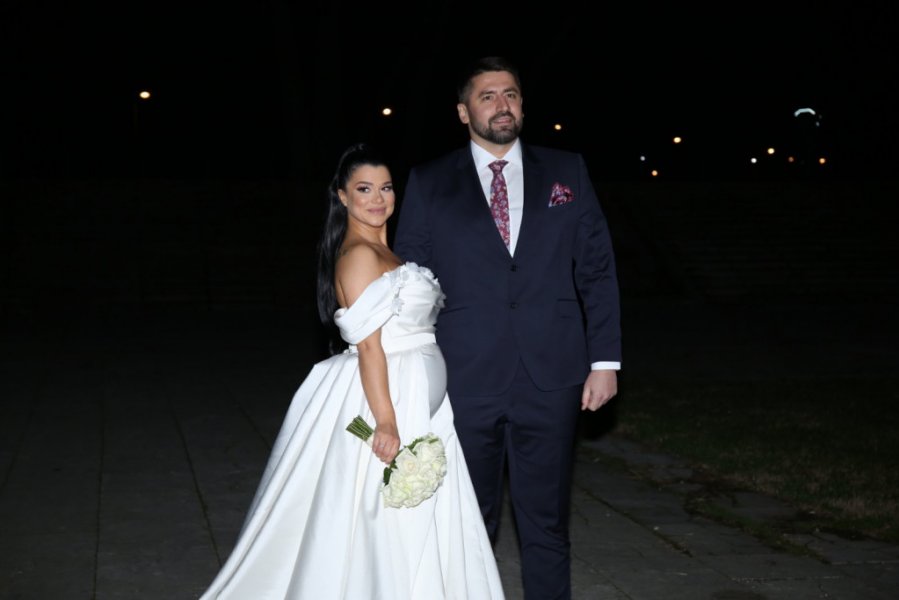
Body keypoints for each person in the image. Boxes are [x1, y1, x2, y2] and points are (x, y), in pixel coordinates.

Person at [199, 143, 504, 599]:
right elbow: (369, 347)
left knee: (412, 517)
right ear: (342, 196)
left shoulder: (386, 252)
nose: (378, 198)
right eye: (364, 189)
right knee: (381, 523)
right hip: (388, 399)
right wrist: (386, 420)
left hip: (419, 402)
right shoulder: (359, 255)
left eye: (386, 187)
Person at [393, 56, 622, 600]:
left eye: (511, 94)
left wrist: (605, 361)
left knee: (547, 520)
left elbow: (596, 269)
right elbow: (410, 284)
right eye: (488, 96)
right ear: (463, 111)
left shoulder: (567, 172)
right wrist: (405, 372)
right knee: (466, 522)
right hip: (464, 375)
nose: (503, 105)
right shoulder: (429, 182)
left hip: (553, 375)